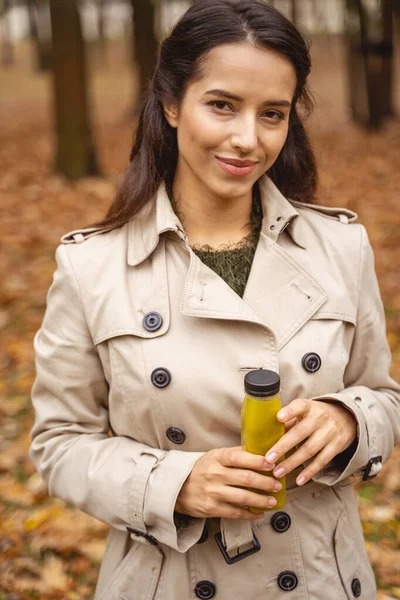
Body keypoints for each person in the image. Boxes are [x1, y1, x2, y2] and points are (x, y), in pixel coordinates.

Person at [30, 1, 400, 599]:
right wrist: (172, 483)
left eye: (272, 114)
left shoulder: (341, 247)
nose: (247, 139)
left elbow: (382, 395)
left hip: (318, 579)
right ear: (172, 104)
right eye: (223, 105)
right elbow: (60, 444)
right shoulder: (91, 266)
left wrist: (349, 420)